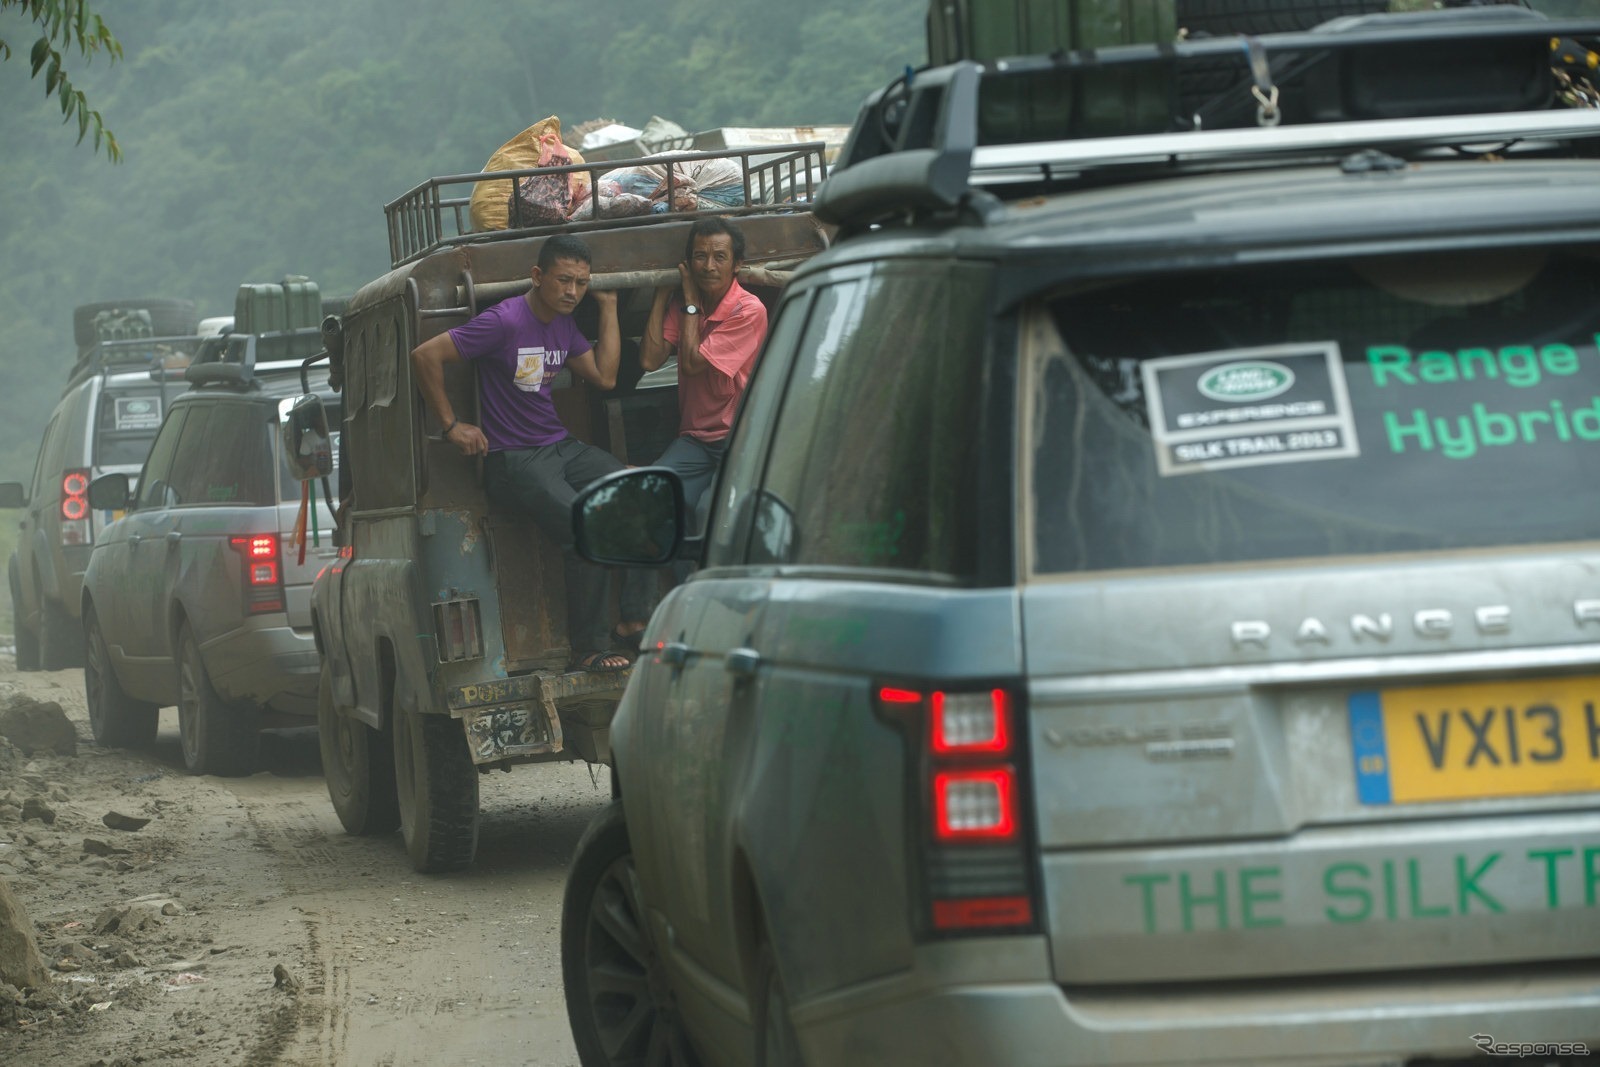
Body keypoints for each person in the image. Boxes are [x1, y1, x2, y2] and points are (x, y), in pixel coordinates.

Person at [411, 233, 650, 672]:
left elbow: (604, 377)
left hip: (558, 446)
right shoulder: (504, 321)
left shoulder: (565, 321)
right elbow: (425, 355)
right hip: (512, 458)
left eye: (580, 283)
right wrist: (450, 426)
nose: (572, 291)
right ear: (537, 276)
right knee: (587, 526)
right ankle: (589, 649)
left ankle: (633, 621)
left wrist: (610, 308)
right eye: (563, 281)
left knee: (637, 492)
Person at [638, 217, 768, 545]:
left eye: (720, 257)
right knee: (653, 496)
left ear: (737, 264)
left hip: (738, 439)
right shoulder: (683, 304)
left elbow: (694, 364)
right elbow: (650, 360)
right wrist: (662, 293)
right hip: (695, 439)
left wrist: (691, 304)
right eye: (700, 256)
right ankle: (677, 589)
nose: (709, 266)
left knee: (709, 513)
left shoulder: (748, 310)